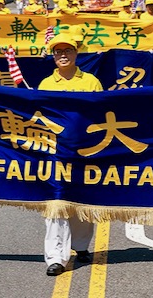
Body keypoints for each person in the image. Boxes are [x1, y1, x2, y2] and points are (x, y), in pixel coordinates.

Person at [37, 34, 102, 276]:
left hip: (86, 152)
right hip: (54, 153)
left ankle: (82, 246)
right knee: (56, 205)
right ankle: (55, 257)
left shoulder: (91, 82)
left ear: (76, 53)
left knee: (83, 203)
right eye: (57, 51)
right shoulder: (46, 84)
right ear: (53, 56)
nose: (62, 55)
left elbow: (101, 115)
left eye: (67, 50)